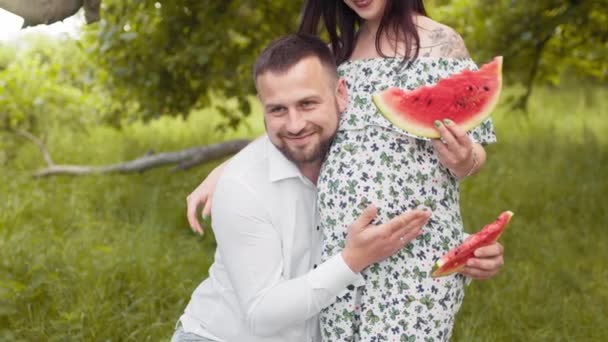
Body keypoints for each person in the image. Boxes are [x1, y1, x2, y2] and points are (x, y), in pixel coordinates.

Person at [186, 1, 506, 339]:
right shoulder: (339, 52)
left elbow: (475, 149)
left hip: (413, 261)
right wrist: (227, 169)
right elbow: (300, 123)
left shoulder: (440, 43)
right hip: (341, 258)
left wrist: (464, 159)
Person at [173, 34, 433, 342]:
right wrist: (352, 260)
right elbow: (261, 314)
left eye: (307, 104)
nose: (295, 125)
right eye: (278, 110)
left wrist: (464, 251)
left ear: (341, 94)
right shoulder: (242, 186)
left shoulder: (362, 157)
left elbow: (402, 224)